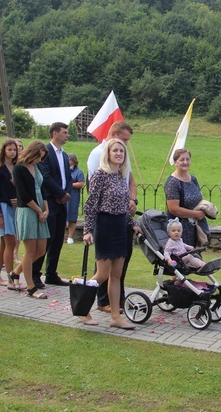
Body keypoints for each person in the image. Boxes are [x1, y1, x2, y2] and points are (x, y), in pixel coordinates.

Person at [81, 138, 137, 329]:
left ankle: (115, 316)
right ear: (108, 153)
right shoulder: (100, 175)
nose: (119, 154)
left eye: (122, 151)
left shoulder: (122, 176)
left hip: (121, 226)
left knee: (117, 274)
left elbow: (124, 205)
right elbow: (90, 205)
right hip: (105, 225)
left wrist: (133, 223)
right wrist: (88, 230)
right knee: (102, 273)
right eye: (115, 151)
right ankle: (82, 307)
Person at [34, 122, 72, 288]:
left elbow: (67, 177)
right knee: (45, 239)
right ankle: (35, 274)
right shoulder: (46, 153)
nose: (67, 135)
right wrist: (60, 194)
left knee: (58, 239)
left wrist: (66, 194)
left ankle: (51, 273)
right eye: (64, 132)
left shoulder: (64, 155)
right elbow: (46, 177)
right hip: (49, 200)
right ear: (55, 133)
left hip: (62, 202)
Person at [12, 141, 51, 299]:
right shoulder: (19, 168)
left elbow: (42, 189)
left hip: (40, 210)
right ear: (32, 153)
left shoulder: (37, 167)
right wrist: (38, 210)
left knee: (41, 250)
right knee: (30, 250)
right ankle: (30, 287)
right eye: (38, 157)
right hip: (27, 211)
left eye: (41, 158)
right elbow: (23, 194)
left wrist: (46, 209)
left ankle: (15, 272)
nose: (39, 160)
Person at [0, 138, 20, 289]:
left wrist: (17, 200)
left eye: (14, 149)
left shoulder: (16, 167)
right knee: (10, 242)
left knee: (4, 243)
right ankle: (10, 277)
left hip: (13, 207)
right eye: (10, 150)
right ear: (4, 151)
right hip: (3, 207)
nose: (12, 152)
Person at [164, 148, 205, 249]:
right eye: (182, 160)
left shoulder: (193, 179)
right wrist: (196, 214)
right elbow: (173, 209)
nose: (185, 162)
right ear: (175, 162)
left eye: (188, 159)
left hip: (194, 227)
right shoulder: (173, 182)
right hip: (179, 229)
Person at [66, 153, 85, 245]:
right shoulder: (63, 170)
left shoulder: (79, 172)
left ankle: (70, 237)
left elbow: (81, 183)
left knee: (72, 217)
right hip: (63, 196)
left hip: (73, 196)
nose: (69, 162)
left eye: (70, 160)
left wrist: (70, 184)